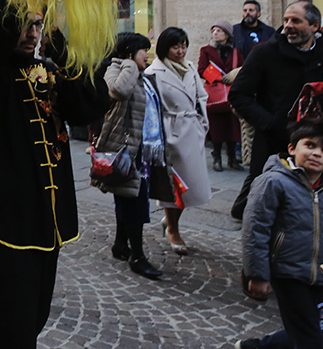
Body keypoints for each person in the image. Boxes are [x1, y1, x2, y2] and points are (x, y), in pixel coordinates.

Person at [0, 0, 109, 349]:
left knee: (34, 315)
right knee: (9, 326)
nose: (31, 33)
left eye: (37, 25)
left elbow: (91, 103)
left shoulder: (49, 71)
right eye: (22, 25)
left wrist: (60, 43)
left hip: (46, 219)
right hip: (3, 218)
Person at [230, 2, 323, 220]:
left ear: (315, 26)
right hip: (274, 140)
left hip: (317, 139)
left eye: (296, 21)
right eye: (286, 20)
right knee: (258, 200)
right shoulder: (264, 52)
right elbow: (238, 95)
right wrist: (270, 124)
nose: (288, 25)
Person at [236, 119, 323, 349]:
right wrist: (257, 274)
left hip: (319, 271)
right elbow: (255, 229)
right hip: (287, 271)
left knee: (311, 328)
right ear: (292, 148)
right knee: (311, 340)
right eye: (310, 145)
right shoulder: (273, 182)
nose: (316, 153)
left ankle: (257, 347)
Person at [96, 32, 169, 280]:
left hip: (142, 147)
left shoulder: (142, 75)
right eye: (143, 51)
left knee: (128, 196)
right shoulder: (116, 71)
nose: (147, 55)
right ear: (129, 53)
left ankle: (120, 243)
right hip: (123, 147)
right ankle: (137, 256)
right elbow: (118, 91)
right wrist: (128, 64)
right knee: (134, 200)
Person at [145, 27, 211, 254]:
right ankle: (173, 228)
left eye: (184, 46)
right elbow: (151, 107)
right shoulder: (153, 72)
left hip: (191, 132)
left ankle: (172, 222)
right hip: (169, 133)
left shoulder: (190, 68)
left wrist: (202, 124)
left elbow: (201, 96)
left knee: (190, 186)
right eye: (176, 46)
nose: (181, 51)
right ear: (165, 47)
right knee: (173, 187)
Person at [198, 20, 244, 172]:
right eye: (213, 31)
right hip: (214, 95)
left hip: (232, 95)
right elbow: (202, 69)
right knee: (216, 127)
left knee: (232, 127)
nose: (215, 33)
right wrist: (219, 78)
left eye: (219, 31)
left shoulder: (236, 52)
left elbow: (242, 68)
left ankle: (232, 158)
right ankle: (217, 157)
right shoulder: (206, 50)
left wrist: (233, 76)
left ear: (227, 34)